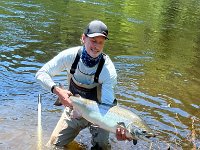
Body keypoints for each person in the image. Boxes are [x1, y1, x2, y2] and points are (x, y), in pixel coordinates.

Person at [36, 20, 128, 150]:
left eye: (100, 42)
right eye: (93, 40)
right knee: (53, 146)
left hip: (100, 117)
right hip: (75, 110)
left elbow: (108, 107)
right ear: (83, 38)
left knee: (102, 147)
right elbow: (41, 74)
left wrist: (116, 128)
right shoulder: (70, 56)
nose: (96, 46)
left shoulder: (108, 70)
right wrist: (57, 91)